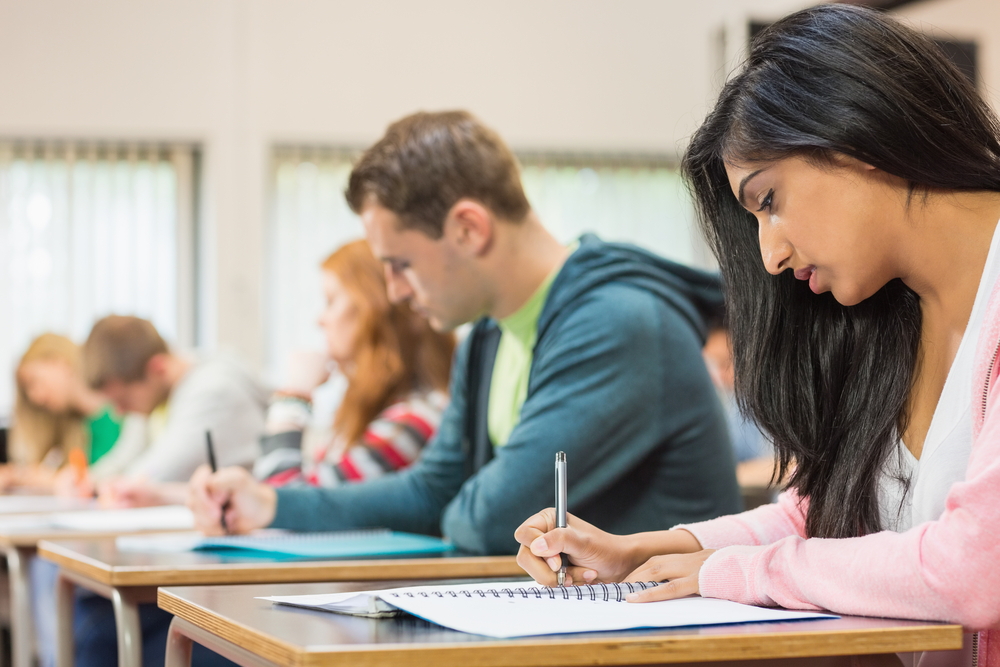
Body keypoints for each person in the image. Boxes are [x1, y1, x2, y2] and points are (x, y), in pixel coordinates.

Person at [515, 6, 1000, 666]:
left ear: (855, 130)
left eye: (768, 199)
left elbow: (973, 568)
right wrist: (649, 550)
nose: (770, 255)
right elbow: (822, 519)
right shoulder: (891, 320)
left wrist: (734, 573)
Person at [189, 110, 742, 553]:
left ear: (469, 229)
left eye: (401, 263)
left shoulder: (619, 325)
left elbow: (492, 522)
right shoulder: (490, 333)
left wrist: (453, 505)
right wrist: (270, 505)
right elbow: (430, 490)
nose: (396, 291)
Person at [254, 238, 455, 488]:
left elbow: (284, 500)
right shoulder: (371, 411)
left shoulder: (416, 419)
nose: (320, 320)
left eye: (330, 301)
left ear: (374, 310)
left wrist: (293, 397)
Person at [7, 333, 132, 493]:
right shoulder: (74, 429)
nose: (35, 397)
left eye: (34, 381)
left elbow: (118, 477)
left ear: (60, 362)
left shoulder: (125, 411)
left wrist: (56, 480)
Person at [701, 320, 775, 489]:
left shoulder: (764, 405)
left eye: (726, 363)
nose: (718, 374)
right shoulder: (718, 403)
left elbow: (786, 467)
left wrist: (732, 476)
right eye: (712, 365)